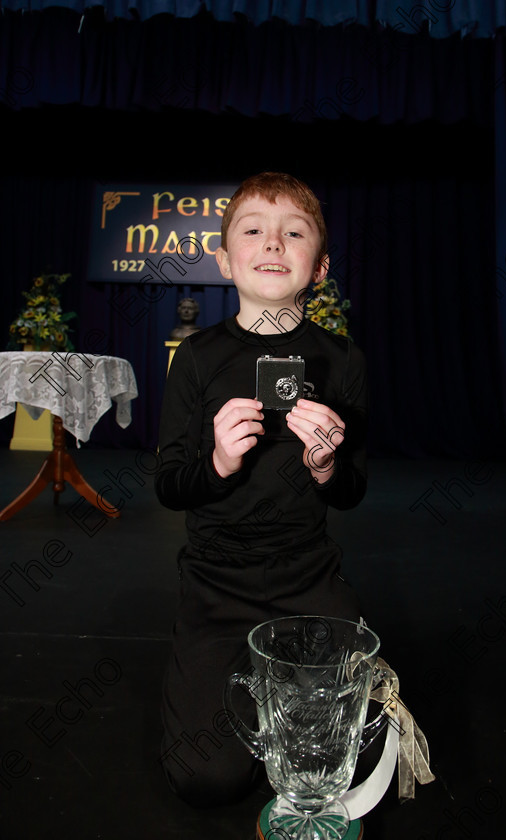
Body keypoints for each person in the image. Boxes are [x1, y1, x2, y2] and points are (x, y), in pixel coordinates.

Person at [155, 172, 369, 808]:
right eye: (253, 230)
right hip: (216, 583)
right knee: (205, 779)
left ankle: (274, 690)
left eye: (294, 233)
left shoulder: (342, 360)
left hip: (309, 577)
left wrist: (328, 463)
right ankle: (236, 681)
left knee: (339, 769)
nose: (273, 242)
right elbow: (170, 485)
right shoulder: (195, 359)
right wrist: (218, 461)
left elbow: (350, 492)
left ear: (320, 266)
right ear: (225, 259)